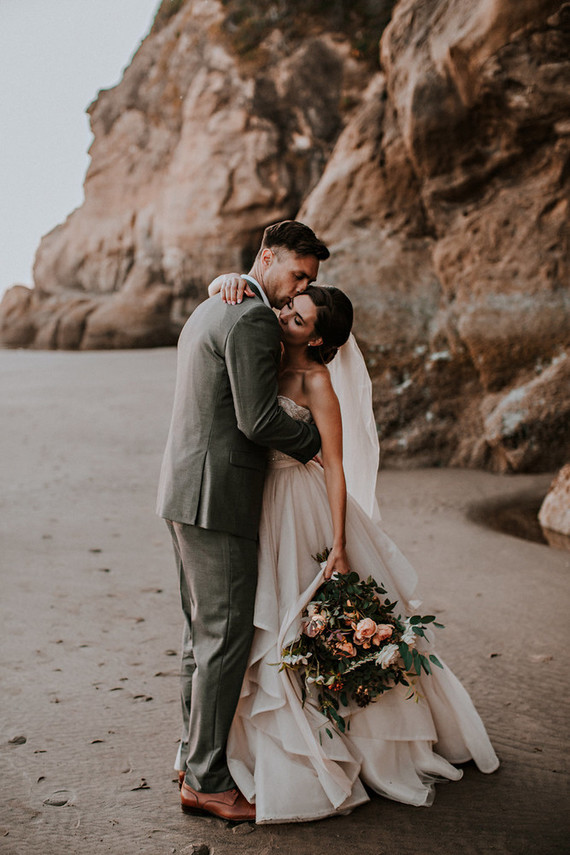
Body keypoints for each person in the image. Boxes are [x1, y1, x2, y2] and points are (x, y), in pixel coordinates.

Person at [208, 277, 499, 823]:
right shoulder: (259, 351)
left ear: (317, 341)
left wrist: (339, 542)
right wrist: (228, 281)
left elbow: (336, 465)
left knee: (312, 623)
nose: (288, 316)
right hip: (255, 502)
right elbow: (245, 294)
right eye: (291, 307)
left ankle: (338, 744)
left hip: (302, 506)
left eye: (300, 319)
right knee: (256, 622)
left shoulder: (317, 380)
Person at [156, 221, 330, 822]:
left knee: (199, 636)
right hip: (219, 496)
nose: (299, 287)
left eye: (309, 280)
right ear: (267, 255)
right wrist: (315, 440)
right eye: (297, 273)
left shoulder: (215, 305)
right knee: (225, 636)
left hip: (184, 490)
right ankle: (205, 778)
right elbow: (258, 421)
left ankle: (192, 757)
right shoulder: (251, 316)